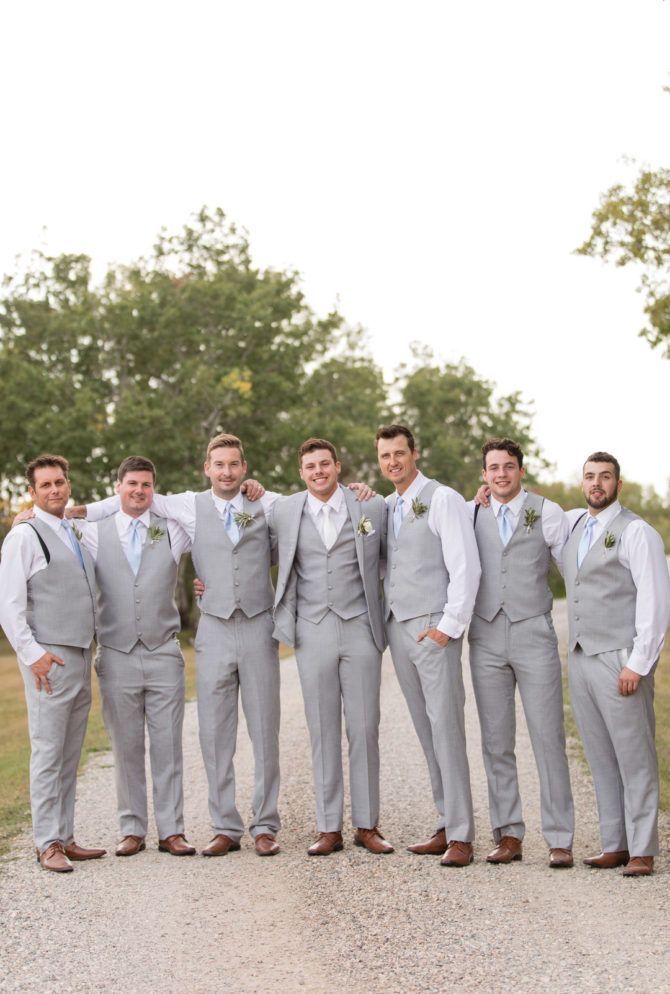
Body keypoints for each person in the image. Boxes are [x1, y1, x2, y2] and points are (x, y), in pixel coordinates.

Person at [82, 435, 281, 857]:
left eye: (233, 464)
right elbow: (126, 502)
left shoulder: (266, 503)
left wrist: (358, 492)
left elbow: (312, 504)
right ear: (205, 468)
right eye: (218, 464)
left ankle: (265, 825)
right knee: (213, 734)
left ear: (244, 468)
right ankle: (225, 826)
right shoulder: (185, 507)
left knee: (264, 731)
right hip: (210, 630)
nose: (226, 471)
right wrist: (73, 509)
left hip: (258, 627)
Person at [270, 438, 391, 856]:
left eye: (325, 464)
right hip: (311, 629)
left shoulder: (371, 507)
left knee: (364, 727)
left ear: (338, 466)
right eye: (310, 466)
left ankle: (367, 825)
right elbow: (250, 549)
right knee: (322, 730)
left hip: (360, 626)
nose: (318, 471)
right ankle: (328, 827)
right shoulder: (284, 510)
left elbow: (396, 558)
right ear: (301, 473)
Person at [376, 425, 481, 866]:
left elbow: (466, 566)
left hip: (433, 629)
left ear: (415, 453)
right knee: (424, 728)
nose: (393, 462)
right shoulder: (384, 506)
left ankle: (462, 835)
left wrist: (449, 625)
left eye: (400, 453)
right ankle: (445, 821)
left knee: (446, 728)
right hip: (398, 628)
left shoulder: (443, 498)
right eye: (385, 456)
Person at [469, 438, 574, 868]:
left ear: (520, 471)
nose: (500, 474)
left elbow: (574, 569)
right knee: (496, 741)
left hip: (534, 630)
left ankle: (560, 837)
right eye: (493, 468)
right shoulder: (470, 511)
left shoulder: (548, 512)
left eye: (508, 467)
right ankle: (508, 833)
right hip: (486, 634)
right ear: (484, 474)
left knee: (548, 737)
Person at [564, 452, 670, 877]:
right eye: (590, 477)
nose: (596, 484)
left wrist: (639, 663)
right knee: (600, 755)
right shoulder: (574, 525)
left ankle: (643, 847)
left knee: (634, 755)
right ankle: (615, 843)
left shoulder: (637, 532)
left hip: (621, 658)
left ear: (618, 484)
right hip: (581, 655)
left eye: (604, 477)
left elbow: (655, 602)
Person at [0, 454, 105, 872]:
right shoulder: (24, 537)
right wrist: (34, 655)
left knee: (69, 752)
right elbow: (9, 606)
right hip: (50, 658)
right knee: (47, 751)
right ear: (32, 491)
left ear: (68, 483)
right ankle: (47, 842)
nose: (54, 490)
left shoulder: (74, 530)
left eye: (60, 482)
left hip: (80, 653)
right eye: (45, 485)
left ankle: (66, 835)